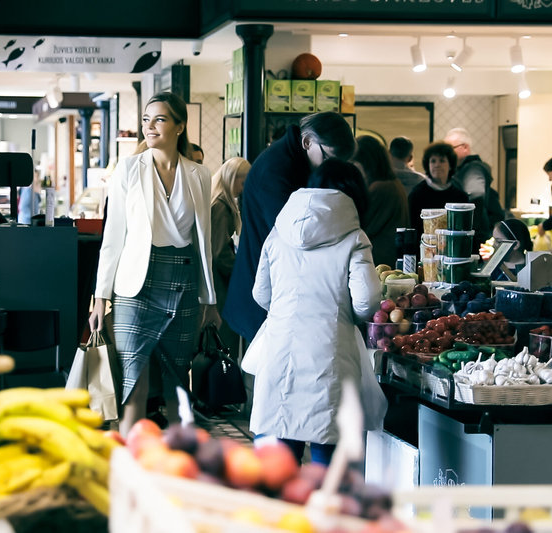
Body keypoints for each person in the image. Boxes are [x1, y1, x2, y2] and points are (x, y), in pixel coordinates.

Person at [88, 92, 219, 436]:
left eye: (159, 119)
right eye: (146, 120)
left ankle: (179, 469)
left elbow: (202, 239)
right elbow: (112, 236)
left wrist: (210, 299)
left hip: (183, 282)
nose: (150, 127)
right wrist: (101, 296)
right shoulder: (129, 169)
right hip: (135, 287)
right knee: (134, 385)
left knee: (178, 386)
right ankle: (130, 468)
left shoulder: (199, 175)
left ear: (180, 126)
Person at [250, 159, 380, 465]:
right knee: (327, 456)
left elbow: (260, 293)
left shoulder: (280, 230)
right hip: (329, 352)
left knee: (277, 466)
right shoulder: (354, 238)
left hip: (279, 348)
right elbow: (366, 302)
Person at [224, 112, 356, 342]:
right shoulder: (276, 169)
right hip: (262, 290)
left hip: (277, 285)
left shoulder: (294, 160)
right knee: (265, 373)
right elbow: (297, 234)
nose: (329, 169)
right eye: (327, 159)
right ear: (307, 142)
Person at [210, 157, 250, 357]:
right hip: (221, 289)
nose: (243, 189)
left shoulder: (216, 202)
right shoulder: (222, 208)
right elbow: (220, 255)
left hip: (215, 286)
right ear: (233, 178)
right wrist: (242, 272)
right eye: (242, 183)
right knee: (224, 346)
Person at [352, 135, 409, 268]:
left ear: (365, 162)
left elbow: (362, 228)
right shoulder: (393, 184)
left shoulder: (380, 188)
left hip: (378, 261)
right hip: (389, 259)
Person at [444, 128, 503, 246]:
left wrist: (464, 226)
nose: (447, 153)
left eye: (450, 149)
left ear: (465, 147)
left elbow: (476, 196)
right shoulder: (460, 170)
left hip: (473, 236)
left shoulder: (473, 168)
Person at [407, 142, 469, 238]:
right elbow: (411, 228)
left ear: (451, 165)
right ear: (428, 165)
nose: (437, 165)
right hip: (424, 248)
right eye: (433, 161)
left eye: (442, 160)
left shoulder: (460, 196)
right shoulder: (417, 194)